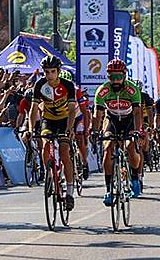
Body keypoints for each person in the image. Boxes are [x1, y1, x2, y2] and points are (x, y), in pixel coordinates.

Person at [28, 55, 77, 211]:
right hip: (48, 120)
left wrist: (69, 128)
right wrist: (30, 129)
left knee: (64, 152)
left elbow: (71, 111)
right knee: (45, 144)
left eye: (52, 72)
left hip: (64, 121)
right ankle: (48, 172)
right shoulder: (40, 85)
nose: (49, 75)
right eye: (46, 72)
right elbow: (33, 109)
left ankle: (69, 192)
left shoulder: (68, 85)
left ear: (58, 71)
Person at [92, 59, 143, 203]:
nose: (116, 80)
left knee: (130, 146)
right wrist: (95, 131)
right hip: (112, 119)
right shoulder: (103, 91)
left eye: (119, 77)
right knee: (108, 148)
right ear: (108, 77)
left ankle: (134, 177)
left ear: (124, 76)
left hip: (128, 120)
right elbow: (98, 114)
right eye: (112, 77)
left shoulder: (132, 89)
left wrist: (137, 130)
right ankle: (108, 189)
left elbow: (137, 112)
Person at [60, 70, 91, 180]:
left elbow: (85, 112)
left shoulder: (76, 90)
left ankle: (84, 162)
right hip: (64, 117)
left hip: (78, 116)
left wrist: (86, 130)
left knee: (79, 137)